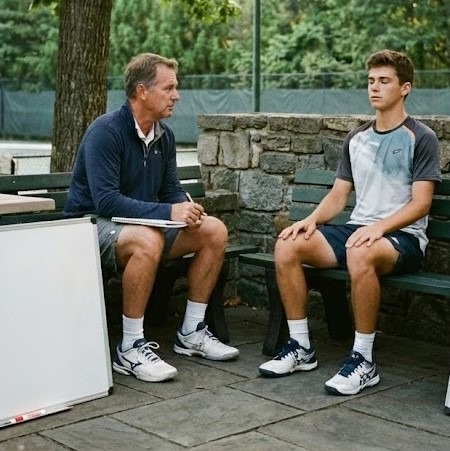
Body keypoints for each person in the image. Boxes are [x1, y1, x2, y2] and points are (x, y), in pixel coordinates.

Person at [259, 49, 441, 395]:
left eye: (384, 81)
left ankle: (364, 360)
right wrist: (311, 220)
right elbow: (339, 195)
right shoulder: (357, 138)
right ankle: (301, 347)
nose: (374, 87)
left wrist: (379, 228)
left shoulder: (421, 137)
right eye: (371, 81)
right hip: (360, 232)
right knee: (287, 244)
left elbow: (421, 204)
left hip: (402, 238)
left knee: (359, 252)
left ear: (405, 88)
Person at [64, 53, 239, 383]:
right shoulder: (106, 132)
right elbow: (106, 201)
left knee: (213, 230)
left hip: (143, 225)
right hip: (90, 225)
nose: (176, 95)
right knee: (148, 239)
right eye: (168, 88)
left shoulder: (164, 135)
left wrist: (186, 208)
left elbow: (170, 189)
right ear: (142, 91)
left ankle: (192, 333)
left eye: (176, 88)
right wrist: (168, 212)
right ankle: (130, 347)